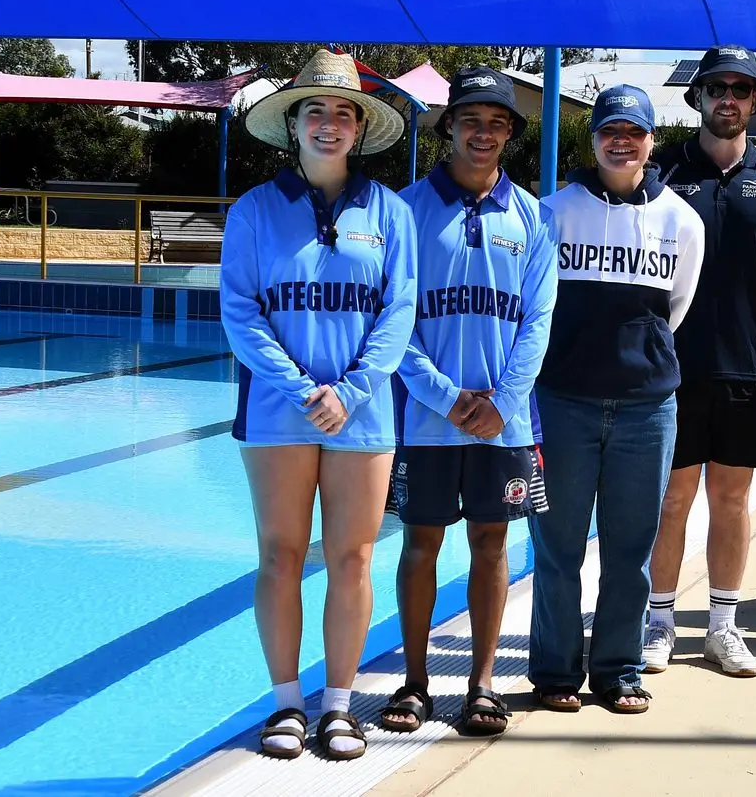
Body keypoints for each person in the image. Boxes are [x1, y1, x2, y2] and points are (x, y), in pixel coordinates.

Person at [220, 49, 417, 761]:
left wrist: (354, 389)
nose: (328, 124)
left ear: (359, 128)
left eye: (342, 112)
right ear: (293, 124)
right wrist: (303, 388)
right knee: (278, 554)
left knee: (353, 556)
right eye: (316, 111)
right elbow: (240, 313)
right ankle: (284, 704)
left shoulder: (390, 212)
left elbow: (399, 311)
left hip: (361, 415)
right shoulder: (253, 211)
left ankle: (338, 703)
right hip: (278, 410)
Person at [379, 68, 557, 738]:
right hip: (428, 418)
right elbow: (393, 318)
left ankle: (480, 684)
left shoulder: (533, 216)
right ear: (448, 125)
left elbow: (537, 319)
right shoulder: (404, 211)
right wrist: (447, 397)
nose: (483, 133)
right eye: (471, 120)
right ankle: (416, 680)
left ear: (509, 133)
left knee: (491, 541)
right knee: (421, 542)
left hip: (504, 422)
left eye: (497, 122)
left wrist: (503, 400)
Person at [528, 84, 704, 714]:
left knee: (631, 547)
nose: (621, 141)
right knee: (557, 545)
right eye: (610, 130)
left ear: (652, 141)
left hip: (645, 407)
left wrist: (635, 360)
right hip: (564, 402)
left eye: (634, 131)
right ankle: (553, 669)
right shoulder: (551, 214)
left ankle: (619, 669)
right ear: (594, 138)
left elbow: (674, 308)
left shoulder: (682, 221)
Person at [645, 45, 756, 678]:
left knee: (733, 500)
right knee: (672, 502)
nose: (729, 97)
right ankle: (659, 621)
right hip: (670, 368)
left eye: (742, 89)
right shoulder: (660, 169)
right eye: (717, 86)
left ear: (754, 101)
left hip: (748, 366)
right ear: (698, 96)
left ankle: (722, 626)